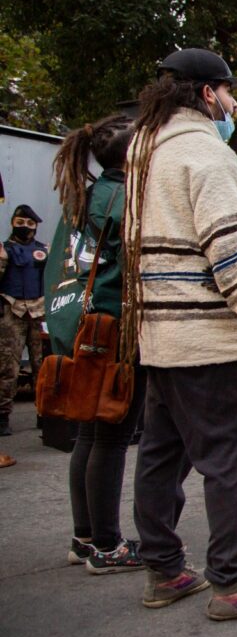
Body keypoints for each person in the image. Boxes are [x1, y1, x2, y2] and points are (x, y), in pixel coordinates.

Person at [125, 48, 237, 620]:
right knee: (236, 457)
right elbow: (232, 246)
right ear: (207, 94)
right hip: (209, 338)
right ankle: (231, 581)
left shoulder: (144, 152)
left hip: (158, 338)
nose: (232, 104)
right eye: (229, 93)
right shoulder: (207, 154)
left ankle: (165, 569)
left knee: (162, 453)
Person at [48, 114, 150, 572]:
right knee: (112, 434)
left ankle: (85, 536)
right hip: (114, 328)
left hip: (85, 327)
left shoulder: (89, 194)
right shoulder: (124, 199)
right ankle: (108, 545)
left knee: (90, 431)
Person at [0, 204, 48, 436]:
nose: (25, 227)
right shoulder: (4, 249)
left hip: (38, 313)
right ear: (12, 223)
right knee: (8, 366)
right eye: (20, 223)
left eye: (30, 224)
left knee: (43, 367)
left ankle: (45, 413)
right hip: (13, 311)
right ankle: (2, 415)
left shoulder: (44, 250)